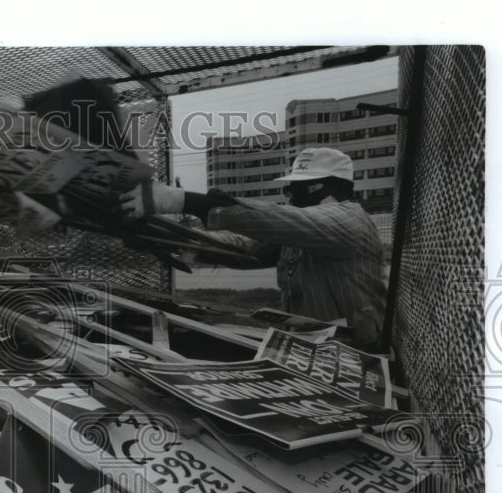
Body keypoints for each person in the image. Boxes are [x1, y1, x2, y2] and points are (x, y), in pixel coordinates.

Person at [120, 147, 387, 349]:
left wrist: (178, 200)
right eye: (290, 189)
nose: (291, 196)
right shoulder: (305, 231)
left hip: (356, 350)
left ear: (333, 187)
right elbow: (249, 250)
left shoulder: (349, 220)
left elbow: (273, 220)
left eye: (300, 188)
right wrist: (180, 240)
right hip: (312, 344)